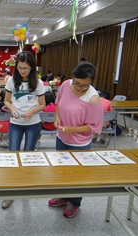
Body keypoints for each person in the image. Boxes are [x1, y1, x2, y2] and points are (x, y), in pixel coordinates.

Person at [48, 62, 103, 218]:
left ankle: (75, 202)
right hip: (62, 138)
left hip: (79, 143)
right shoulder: (66, 85)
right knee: (62, 171)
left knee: (77, 175)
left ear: (91, 82)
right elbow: (59, 103)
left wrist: (72, 129)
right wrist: (57, 118)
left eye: (84, 85)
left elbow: (94, 126)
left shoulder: (92, 99)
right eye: (76, 83)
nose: (78, 88)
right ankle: (64, 197)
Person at [4, 51, 46, 209]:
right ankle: (11, 192)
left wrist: (32, 111)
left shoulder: (38, 83)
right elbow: (7, 101)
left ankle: (25, 187)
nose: (22, 71)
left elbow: (42, 104)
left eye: (26, 68)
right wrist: (11, 109)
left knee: (28, 156)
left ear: (32, 68)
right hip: (15, 122)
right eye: (20, 68)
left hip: (33, 123)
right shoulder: (11, 81)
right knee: (13, 156)